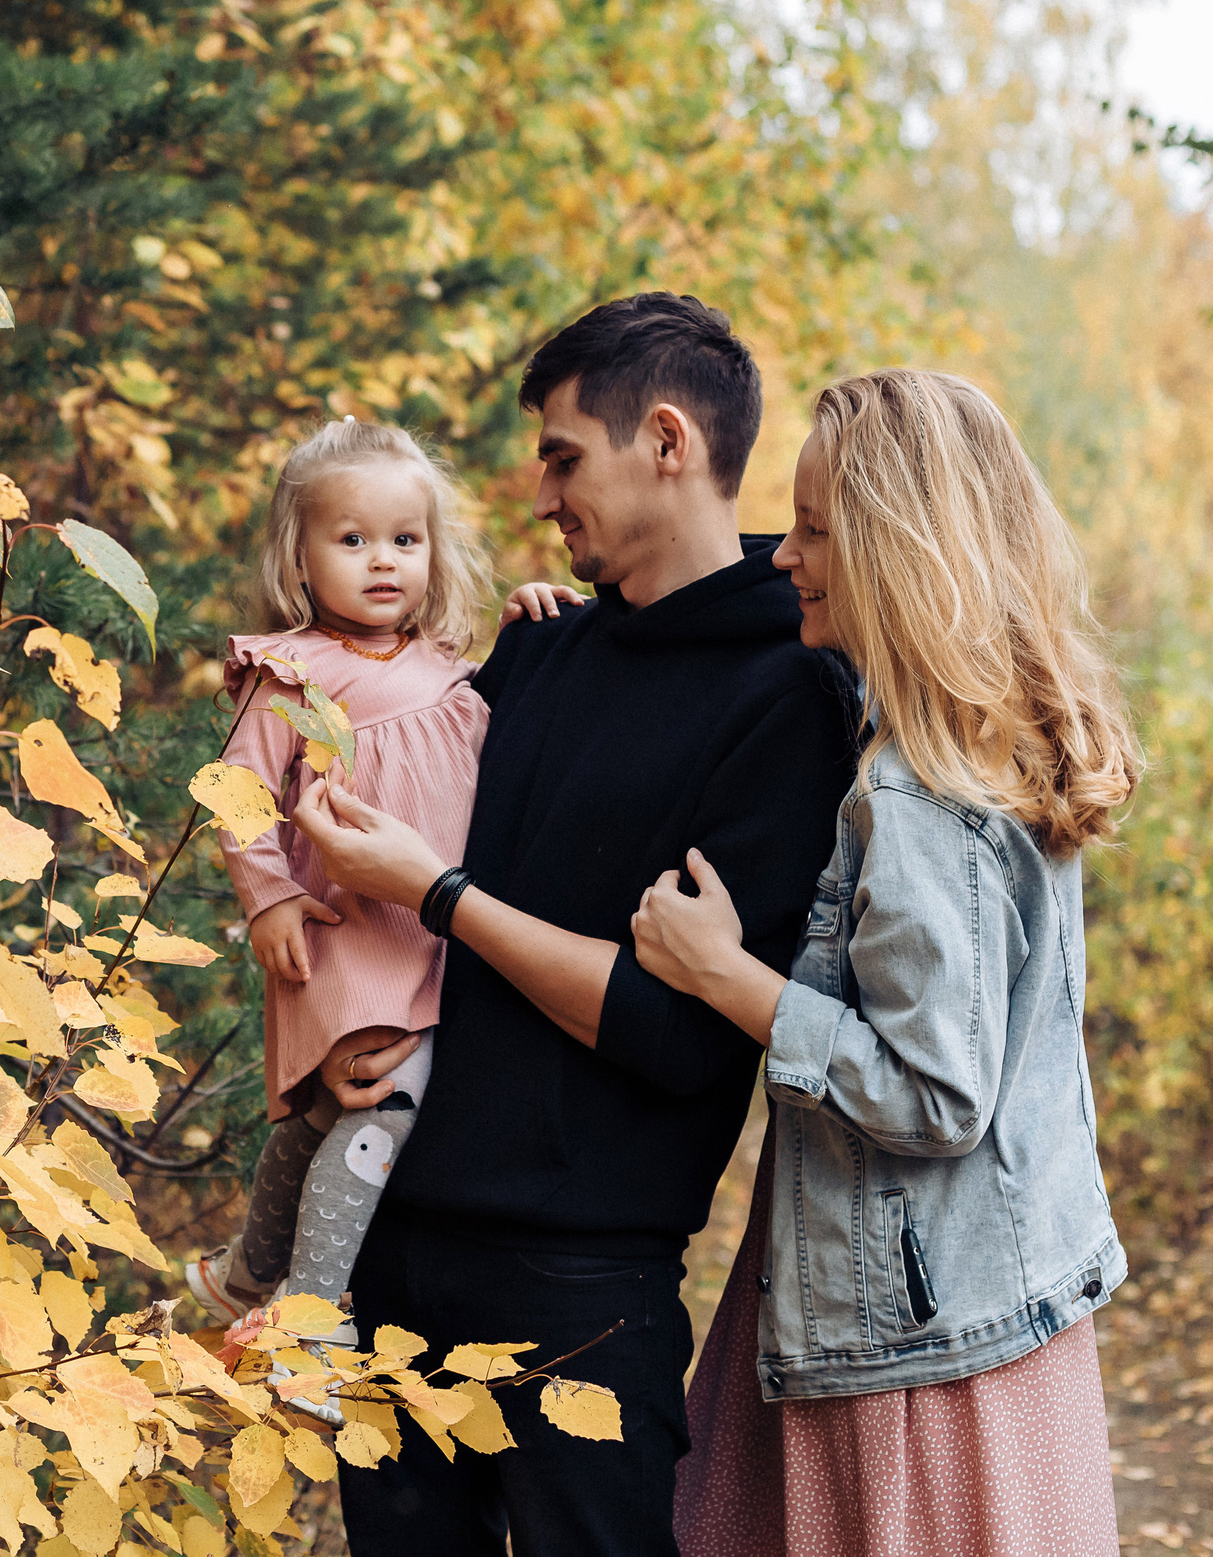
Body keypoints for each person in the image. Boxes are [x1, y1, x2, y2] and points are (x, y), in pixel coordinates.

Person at [290, 293, 859, 1557]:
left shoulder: (790, 693)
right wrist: (337, 1029)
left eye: (563, 456)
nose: (542, 493)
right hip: (393, 1243)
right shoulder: (541, 652)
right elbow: (367, 866)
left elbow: (679, 1035)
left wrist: (440, 893)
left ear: (665, 441)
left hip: (580, 1287)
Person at [634, 367, 1142, 1557]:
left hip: (914, 1356)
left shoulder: (922, 803)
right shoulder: (983, 745)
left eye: (814, 530)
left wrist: (728, 978)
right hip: (977, 1302)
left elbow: (933, 1094)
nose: (782, 554)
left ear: (898, 552)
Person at [182, 418, 495, 1361]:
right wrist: (267, 895)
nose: (383, 561)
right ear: (300, 554)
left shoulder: (453, 671)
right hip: (338, 930)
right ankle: (308, 1324)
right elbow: (235, 793)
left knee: (331, 1112)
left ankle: (247, 1268)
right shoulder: (292, 671)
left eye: (406, 538)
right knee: (385, 1106)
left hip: (430, 932)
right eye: (351, 540)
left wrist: (528, 614)